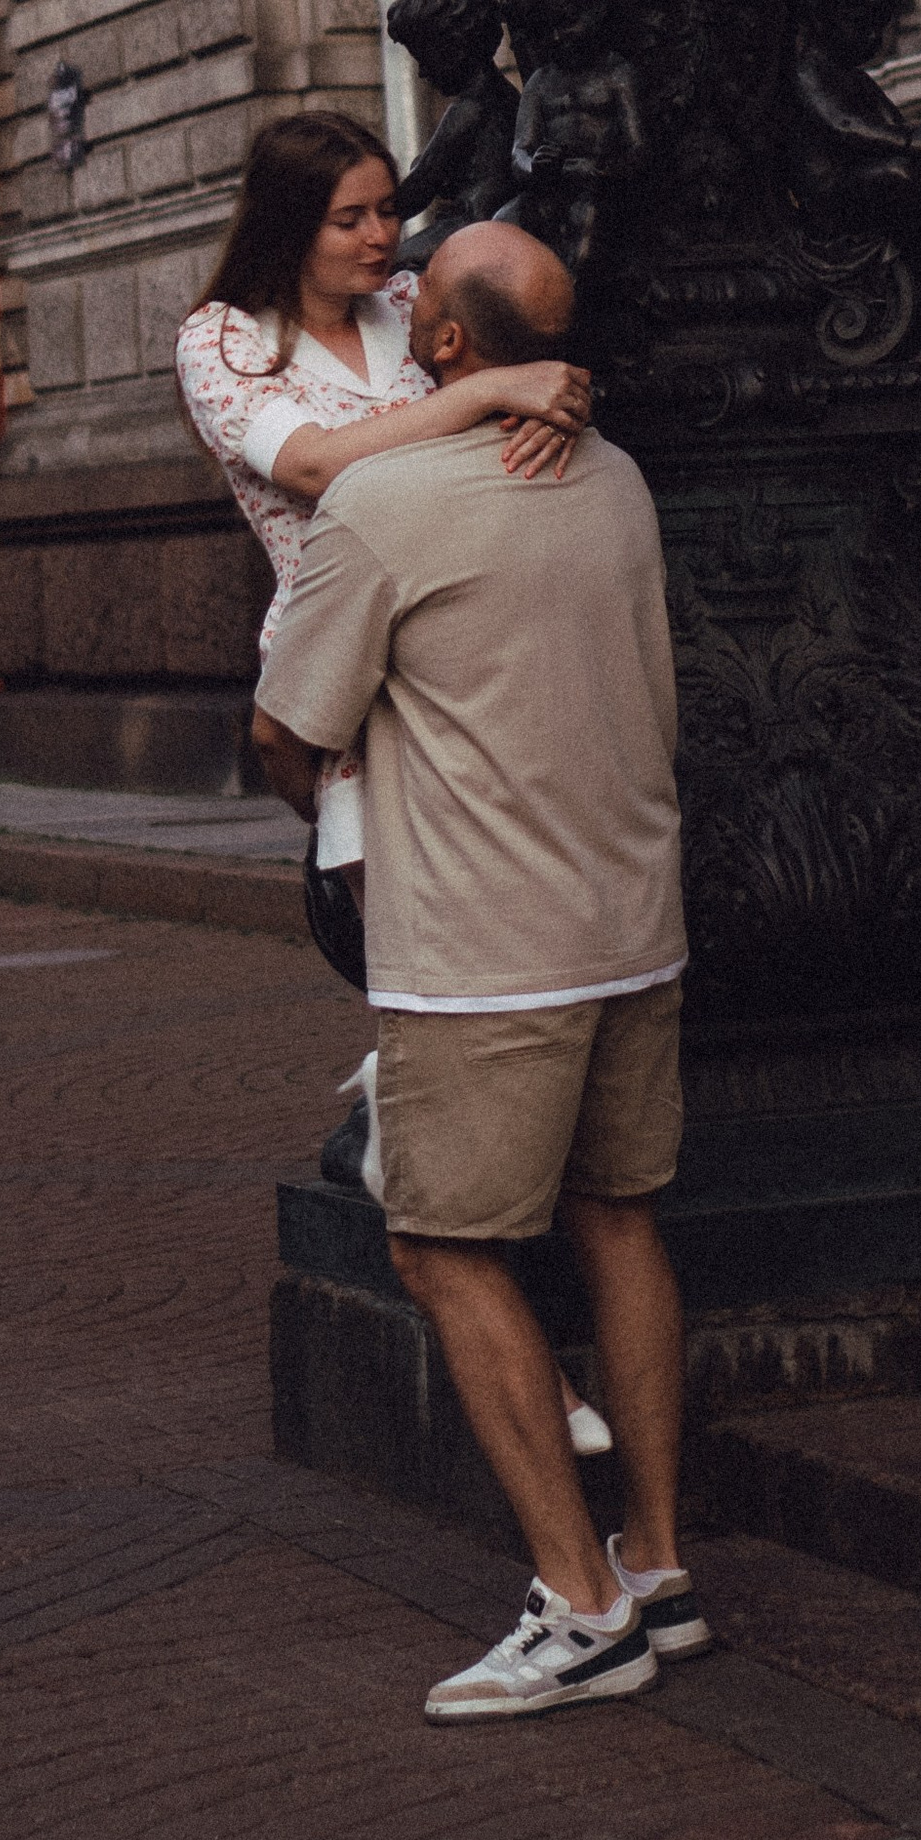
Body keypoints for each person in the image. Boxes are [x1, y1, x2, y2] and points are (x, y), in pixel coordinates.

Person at [252, 219, 709, 1723]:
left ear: (444, 347)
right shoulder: (621, 478)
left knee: (442, 1248)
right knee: (620, 1220)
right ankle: (653, 1562)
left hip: (481, 955)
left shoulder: (382, 504)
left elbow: (286, 729)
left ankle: (578, 1609)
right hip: (633, 924)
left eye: (417, 294)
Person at [175, 111, 615, 1458]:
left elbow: (524, 382)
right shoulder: (225, 343)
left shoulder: (413, 306)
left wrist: (556, 398)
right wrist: (484, 397)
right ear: (288, 223)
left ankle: (395, 1132)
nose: (383, 239)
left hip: (483, 658)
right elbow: (305, 466)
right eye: (353, 218)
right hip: (351, 684)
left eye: (387, 212)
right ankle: (537, 1377)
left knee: (496, 1025)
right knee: (421, 982)